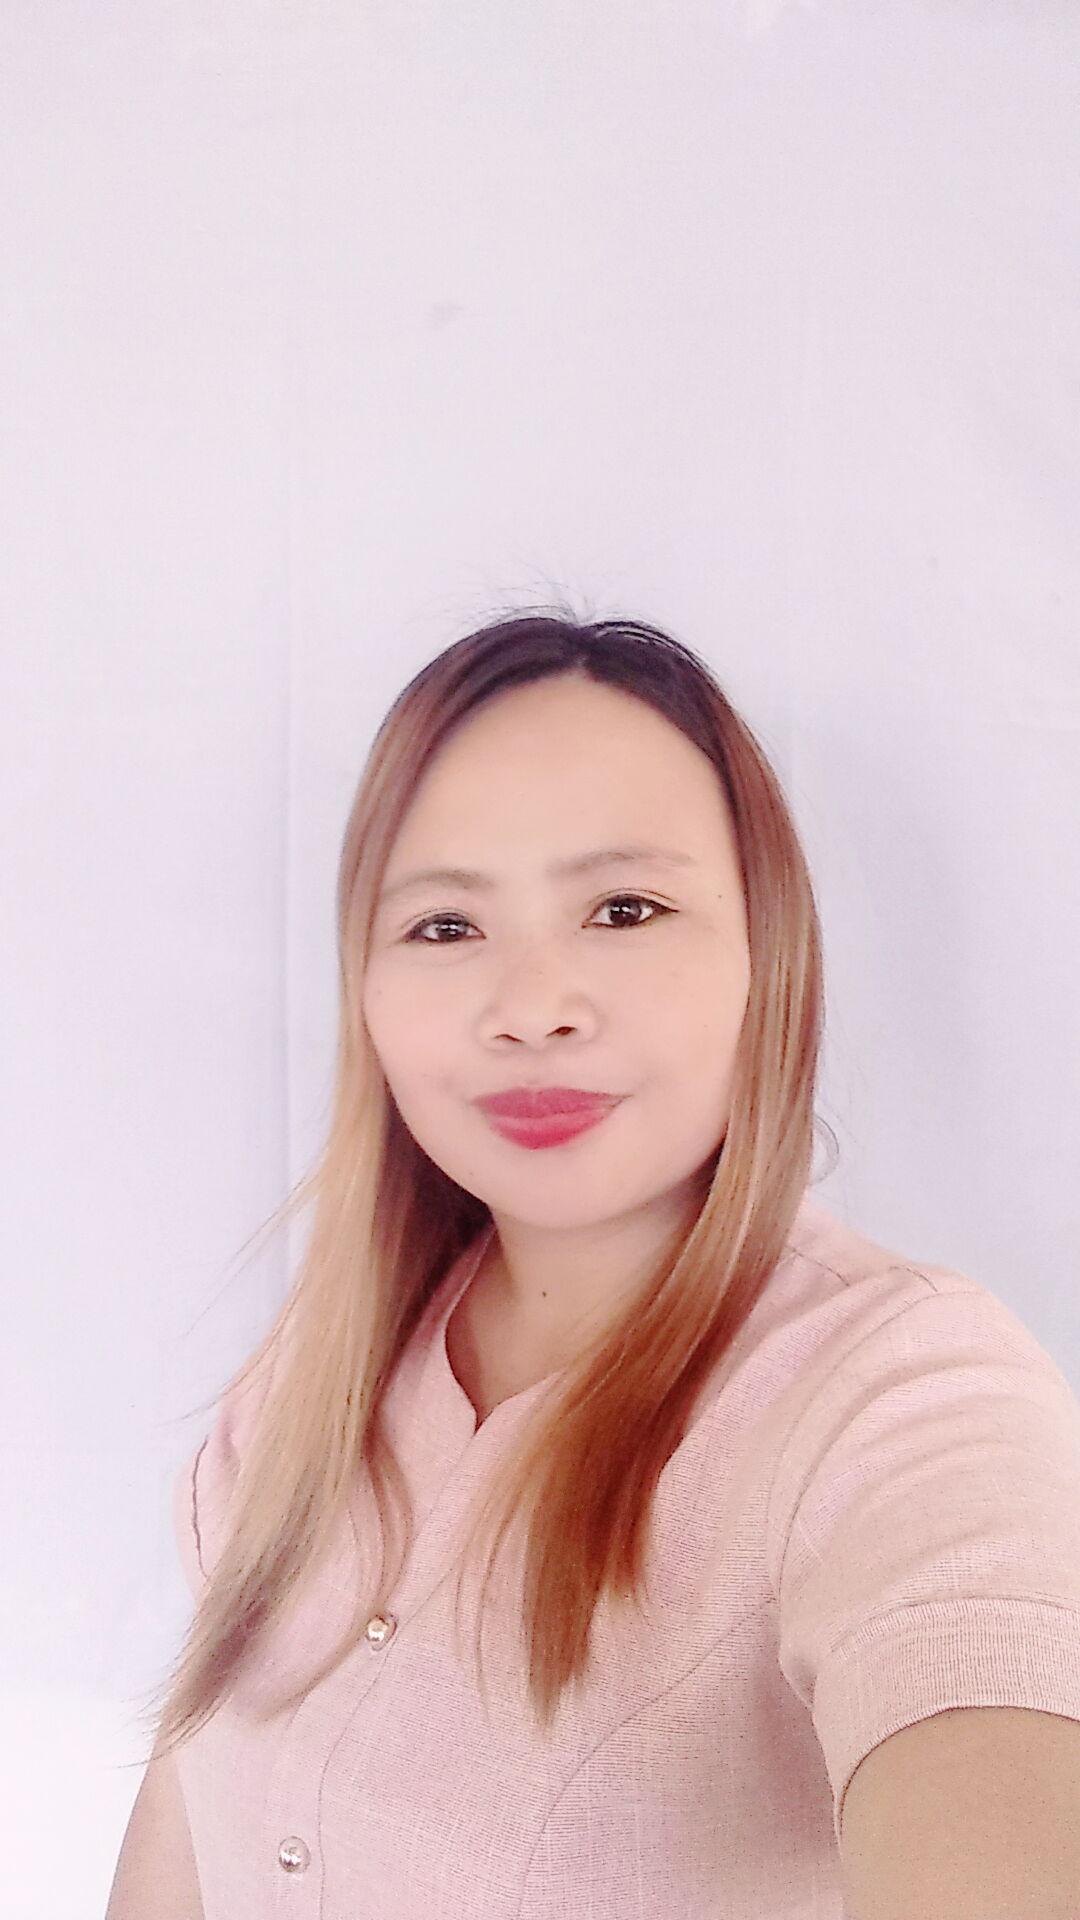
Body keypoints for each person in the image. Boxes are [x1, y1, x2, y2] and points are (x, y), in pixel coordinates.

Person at [106, 612, 1080, 1920]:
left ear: (767, 952)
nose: (531, 1006)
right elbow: (183, 1840)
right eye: (445, 925)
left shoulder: (903, 1398)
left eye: (625, 909)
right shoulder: (306, 1384)